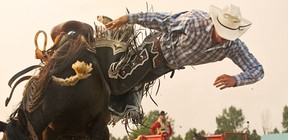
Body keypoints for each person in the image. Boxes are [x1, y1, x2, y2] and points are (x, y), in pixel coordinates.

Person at [105, 3, 264, 94]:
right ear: (215, 23)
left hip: (167, 66)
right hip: (154, 50)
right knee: (120, 85)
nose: (223, 38)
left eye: (228, 35)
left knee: (129, 91)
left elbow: (257, 70)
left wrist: (236, 80)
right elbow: (163, 20)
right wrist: (129, 18)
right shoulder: (195, 21)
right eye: (222, 32)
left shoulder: (233, 46)